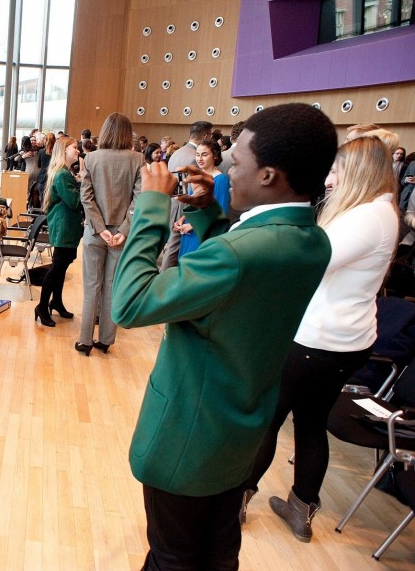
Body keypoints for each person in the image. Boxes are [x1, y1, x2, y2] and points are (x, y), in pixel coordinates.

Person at [111, 102, 337, 570]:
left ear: (270, 175)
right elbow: (240, 285)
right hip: (237, 432)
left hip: (188, 438)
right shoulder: (312, 241)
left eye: (238, 160)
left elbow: (131, 304)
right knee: (216, 554)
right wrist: (212, 213)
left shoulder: (240, 253)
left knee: (172, 557)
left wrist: (152, 205)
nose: (227, 166)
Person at [240, 135, 399, 542]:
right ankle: (301, 506)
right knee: (311, 423)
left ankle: (239, 498)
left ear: (357, 173)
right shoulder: (377, 212)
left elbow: (310, 261)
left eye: (337, 172)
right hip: (343, 340)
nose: (329, 181)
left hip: (319, 340)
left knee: (269, 419)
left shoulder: (368, 217)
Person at [75, 112, 142, 356]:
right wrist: (123, 230)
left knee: (91, 286)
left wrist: (101, 229)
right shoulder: (138, 159)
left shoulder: (91, 158)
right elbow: (139, 199)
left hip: (95, 233)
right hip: (120, 237)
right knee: (112, 286)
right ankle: (105, 340)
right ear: (128, 133)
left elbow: (86, 198)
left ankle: (85, 341)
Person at [35, 137, 82, 327]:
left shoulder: (65, 173)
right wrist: (83, 184)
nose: (78, 151)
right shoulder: (62, 174)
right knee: (56, 269)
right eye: (74, 148)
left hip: (67, 227)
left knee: (61, 268)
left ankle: (56, 301)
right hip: (64, 227)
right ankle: (42, 306)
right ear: (64, 151)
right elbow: (74, 202)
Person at [161, 121, 214, 271]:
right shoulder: (194, 157)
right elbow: (193, 187)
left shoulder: (177, 152)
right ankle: (164, 279)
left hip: (172, 202)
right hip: (183, 205)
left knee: (172, 243)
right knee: (175, 245)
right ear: (206, 135)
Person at [176, 139, 230, 257]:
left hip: (202, 231)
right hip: (189, 228)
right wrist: (183, 218)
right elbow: (195, 204)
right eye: (198, 155)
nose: (200, 158)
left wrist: (192, 225)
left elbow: (220, 213)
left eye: (204, 155)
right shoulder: (197, 177)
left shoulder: (221, 180)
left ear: (215, 156)